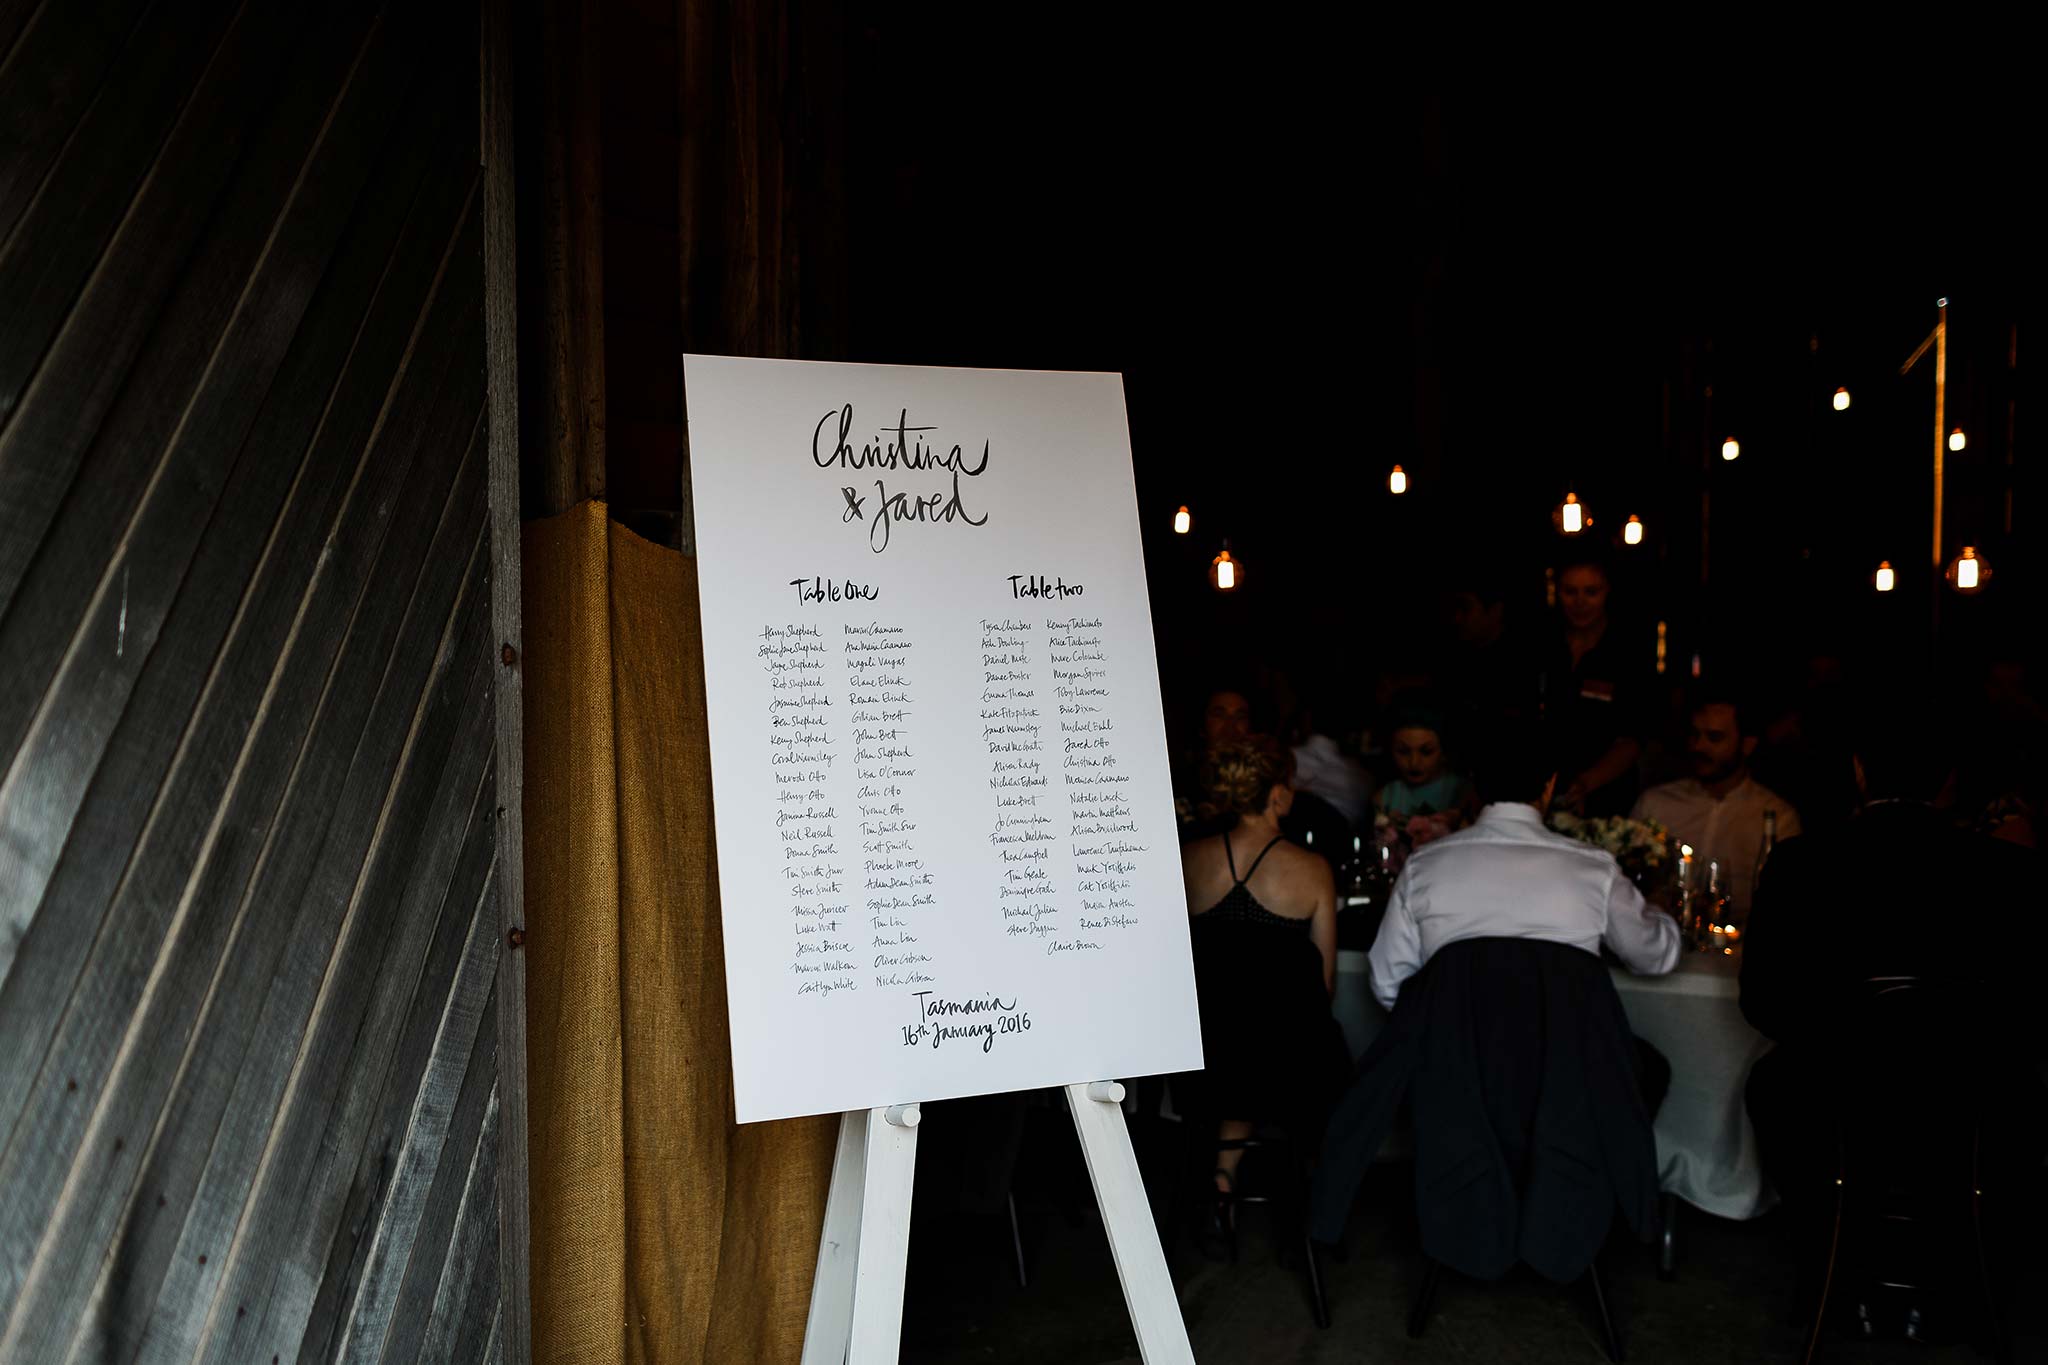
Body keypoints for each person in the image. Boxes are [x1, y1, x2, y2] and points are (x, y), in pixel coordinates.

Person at [1740, 700, 2044, 1225]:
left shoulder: (1800, 863)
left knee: (1774, 1083)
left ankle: (1828, 1240)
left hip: (1833, 1104)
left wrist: (1850, 1039)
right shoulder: (2012, 872)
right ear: (1949, 783)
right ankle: (1971, 1245)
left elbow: (1764, 1004)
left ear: (1858, 772)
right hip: (1975, 1108)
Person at [1368, 729, 1679, 1009]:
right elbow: (1654, 957)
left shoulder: (1424, 866)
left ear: (1474, 789)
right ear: (1549, 786)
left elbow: (1387, 984)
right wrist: (1659, 908)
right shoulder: (1594, 869)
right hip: (1568, 1064)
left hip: (1454, 1065)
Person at [1180, 736, 1343, 1205]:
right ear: (1277, 793)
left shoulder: (1191, 858)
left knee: (1242, 1050)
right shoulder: (1313, 870)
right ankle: (1312, 1193)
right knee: (1291, 1045)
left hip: (1204, 1055)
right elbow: (1324, 987)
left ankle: (1222, 1177)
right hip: (1286, 1060)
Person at [1632, 688, 1801, 919]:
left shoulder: (1777, 818)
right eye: (1694, 735)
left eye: (1714, 738)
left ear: (1747, 745)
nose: (1698, 747)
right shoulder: (1656, 803)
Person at [1539, 551, 1647, 817]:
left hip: (1606, 792)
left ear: (1607, 591)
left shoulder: (1627, 652)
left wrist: (1586, 783)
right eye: (1570, 591)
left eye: (1591, 592)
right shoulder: (1542, 643)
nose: (1580, 602)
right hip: (1542, 789)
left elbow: (1632, 738)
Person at [1375, 700, 1476, 828]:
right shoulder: (1384, 797)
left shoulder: (1465, 793)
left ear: (1444, 752)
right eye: (1403, 751)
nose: (1414, 762)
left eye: (1426, 752)